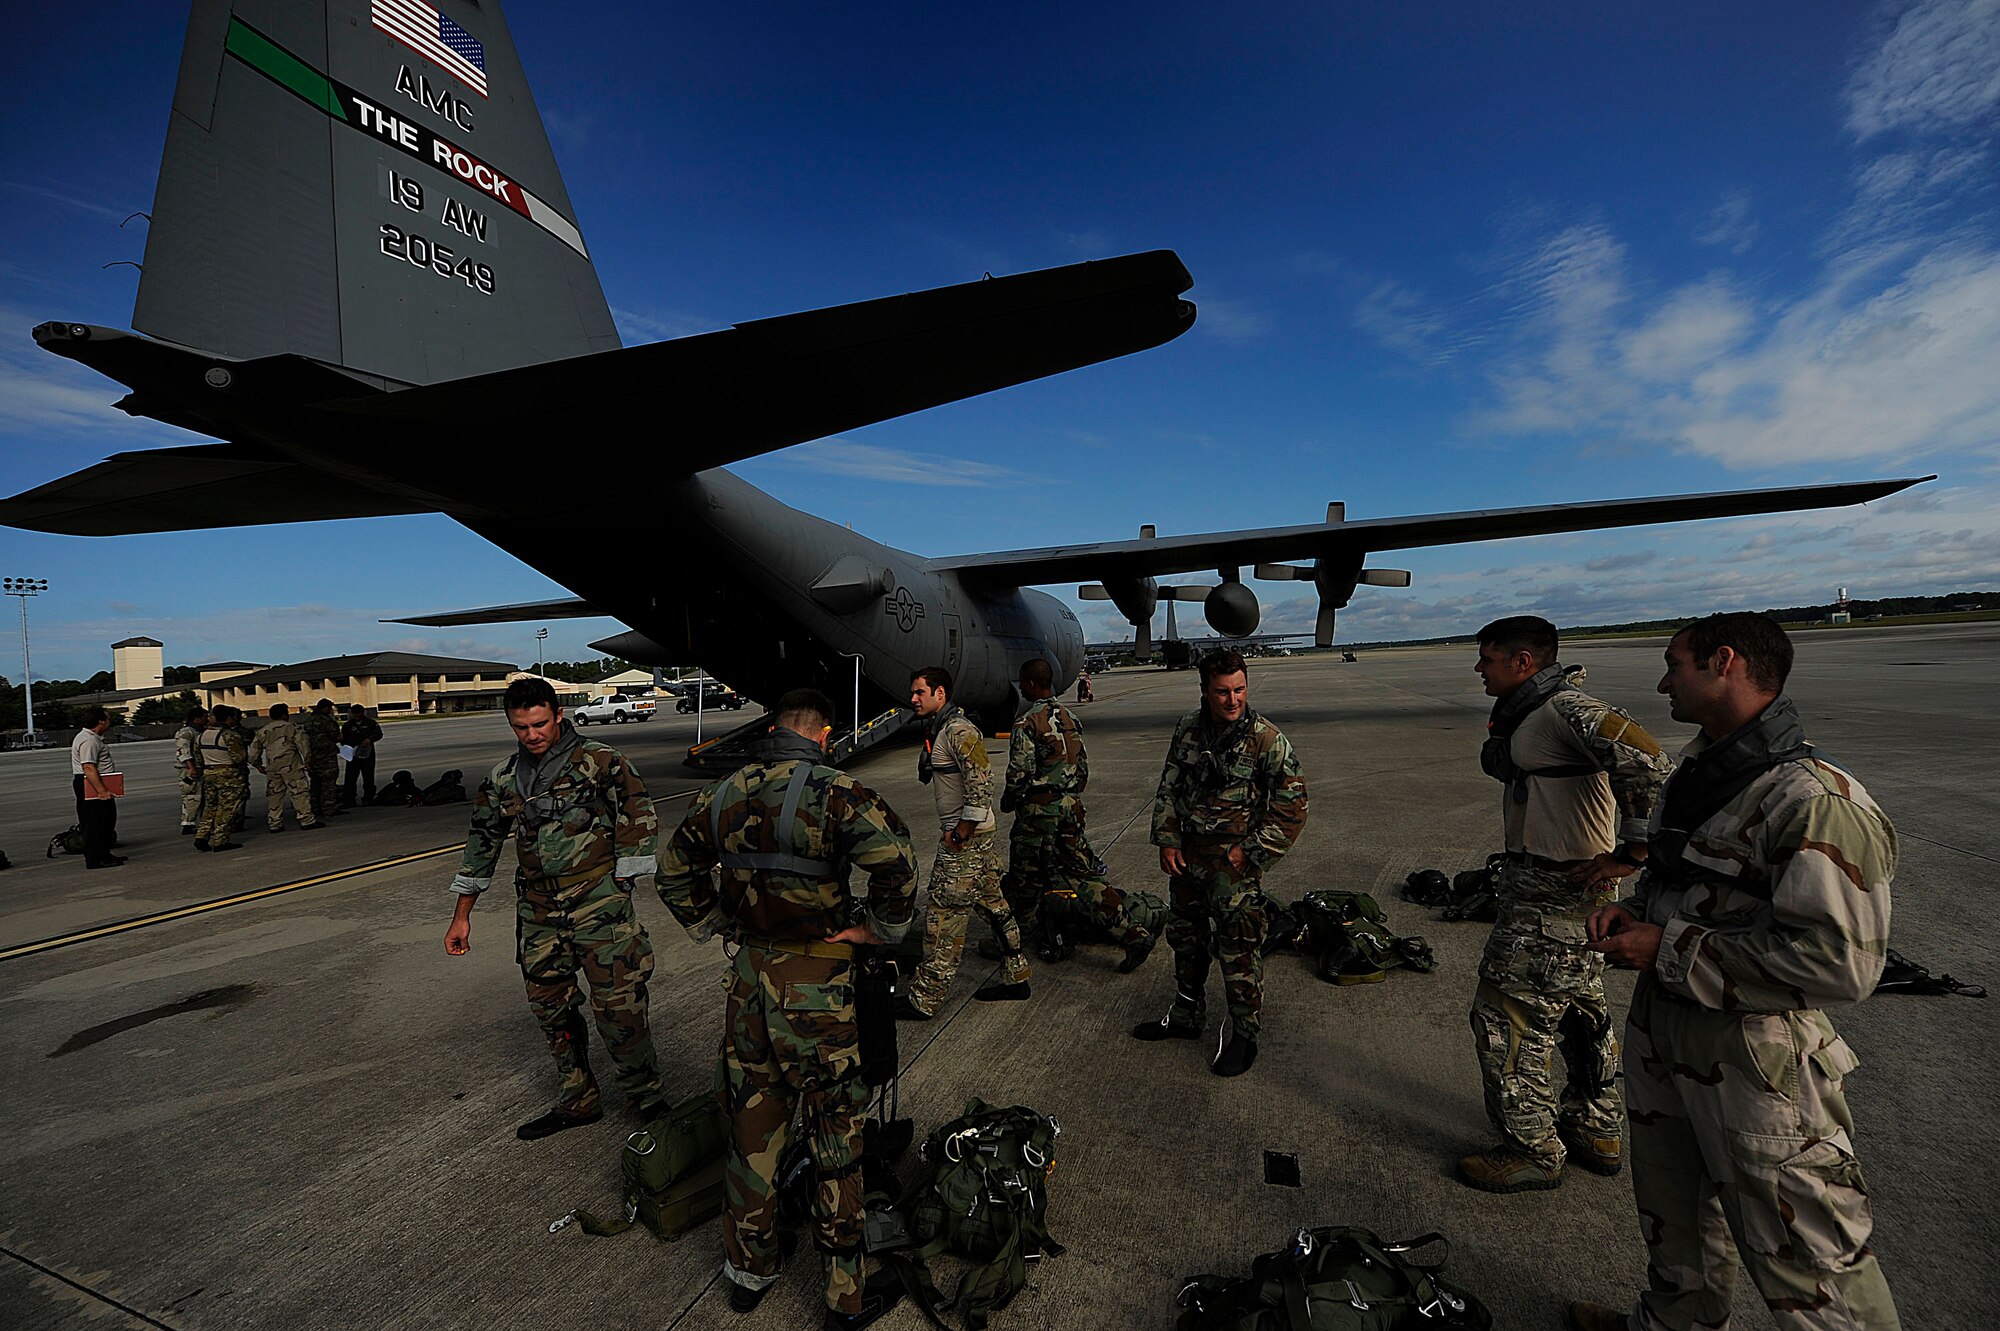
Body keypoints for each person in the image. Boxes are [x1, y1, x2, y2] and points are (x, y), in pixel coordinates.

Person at [1572, 613, 1900, 1331]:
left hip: (1755, 1058)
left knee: (1812, 1259)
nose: (1663, 683)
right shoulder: (1702, 776)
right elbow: (1691, 883)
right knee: (1675, 1215)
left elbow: (1843, 962)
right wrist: (1637, 914)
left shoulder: (1813, 799)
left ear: (1724, 662)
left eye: (1674, 665)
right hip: (1668, 1034)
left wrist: (1667, 946)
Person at [655, 688, 915, 1329]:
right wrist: (876, 931)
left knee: (752, 1134)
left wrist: (718, 923)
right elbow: (896, 864)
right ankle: (845, 1297)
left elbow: (672, 872)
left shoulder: (723, 792)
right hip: (817, 987)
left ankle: (750, 1273)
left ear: (775, 729)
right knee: (836, 1137)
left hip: (748, 983)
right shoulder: (837, 793)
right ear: (823, 735)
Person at [1459, 615, 1672, 1193]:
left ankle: (1530, 1149)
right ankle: (1595, 1128)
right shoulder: (1534, 711)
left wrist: (1634, 851)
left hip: (1553, 893)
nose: (1479, 668)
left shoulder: (1565, 709)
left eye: (1488, 659)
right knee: (1581, 1011)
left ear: (1523, 662)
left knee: (1507, 1018)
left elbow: (1649, 761)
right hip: (1563, 890)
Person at [443, 677, 666, 1139]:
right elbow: (482, 843)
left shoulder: (600, 761)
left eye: (540, 724)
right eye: (521, 727)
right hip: (539, 909)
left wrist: (624, 877)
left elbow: (638, 812)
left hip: (598, 902)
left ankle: (647, 1098)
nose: (532, 735)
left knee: (619, 1006)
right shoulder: (504, 778)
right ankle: (578, 1099)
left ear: (558, 714)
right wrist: (462, 916)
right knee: (551, 1009)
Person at [1136, 649, 1307, 1077]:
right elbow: (1169, 785)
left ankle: (1245, 1035)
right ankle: (1186, 1015)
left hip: (1234, 868)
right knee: (1185, 939)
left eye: (1239, 690)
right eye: (1223, 692)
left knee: (1239, 949)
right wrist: (1167, 840)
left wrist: (1250, 853)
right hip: (1188, 860)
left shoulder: (1265, 738)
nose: (1233, 700)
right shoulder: (1188, 729)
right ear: (1205, 691)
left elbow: (1293, 804)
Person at [998, 657, 1154, 972]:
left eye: (1023, 683)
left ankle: (1013, 942)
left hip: (1039, 815)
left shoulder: (1027, 723)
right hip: (1070, 809)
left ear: (1030, 684)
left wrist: (1009, 801)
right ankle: (1133, 933)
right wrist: (1069, 797)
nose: (1022, 688)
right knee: (1082, 875)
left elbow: (1019, 774)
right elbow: (1082, 769)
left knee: (1024, 879)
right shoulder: (1071, 718)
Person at [899, 666, 1030, 1019]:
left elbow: (982, 785)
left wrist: (960, 833)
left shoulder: (958, 730)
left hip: (966, 840)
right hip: (976, 836)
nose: (913, 699)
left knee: (944, 914)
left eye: (920, 692)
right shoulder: (941, 727)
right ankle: (1017, 976)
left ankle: (925, 999)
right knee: (993, 903)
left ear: (940, 693)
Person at [249, 703, 324, 833]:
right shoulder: (292, 727)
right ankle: (306, 820)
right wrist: (307, 761)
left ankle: (274, 823)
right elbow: (304, 745)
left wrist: (258, 765)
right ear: (285, 715)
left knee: (274, 795)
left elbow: (253, 753)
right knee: (299, 793)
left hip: (273, 768)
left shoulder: (263, 731)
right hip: (292, 766)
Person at [70, 707, 125, 869]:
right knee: (95, 823)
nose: (109, 721)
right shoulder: (89, 740)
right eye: (108, 718)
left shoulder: (92, 738)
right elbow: (88, 766)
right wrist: (101, 790)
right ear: (100, 721)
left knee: (106, 821)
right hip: (92, 783)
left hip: (96, 782)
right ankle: (95, 858)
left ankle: (104, 853)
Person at [193, 704, 249, 852]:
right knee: (227, 808)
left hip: (209, 773)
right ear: (228, 718)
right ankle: (220, 840)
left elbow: (198, 758)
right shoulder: (230, 735)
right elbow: (239, 758)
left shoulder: (201, 736)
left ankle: (202, 836)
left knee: (210, 806)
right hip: (228, 775)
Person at [301, 698, 344, 820]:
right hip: (326, 756)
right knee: (328, 783)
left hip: (312, 756)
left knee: (315, 783)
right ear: (326, 708)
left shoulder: (308, 721)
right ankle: (329, 808)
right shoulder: (326, 720)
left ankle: (315, 807)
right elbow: (336, 736)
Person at [172, 705, 208, 835]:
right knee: (192, 796)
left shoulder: (199, 731)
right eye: (204, 717)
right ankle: (188, 823)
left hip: (199, 767)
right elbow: (183, 751)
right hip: (189, 769)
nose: (206, 719)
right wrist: (191, 768)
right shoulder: (186, 732)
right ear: (197, 719)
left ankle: (198, 822)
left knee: (202, 797)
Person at [340, 703, 383, 806]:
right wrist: (347, 744)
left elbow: (379, 734)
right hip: (352, 755)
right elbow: (342, 739)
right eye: (354, 714)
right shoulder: (348, 725)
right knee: (350, 778)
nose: (356, 716)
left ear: (362, 713)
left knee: (368, 777)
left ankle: (368, 797)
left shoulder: (370, 723)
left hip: (367, 754)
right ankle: (349, 799)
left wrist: (370, 739)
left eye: (358, 713)